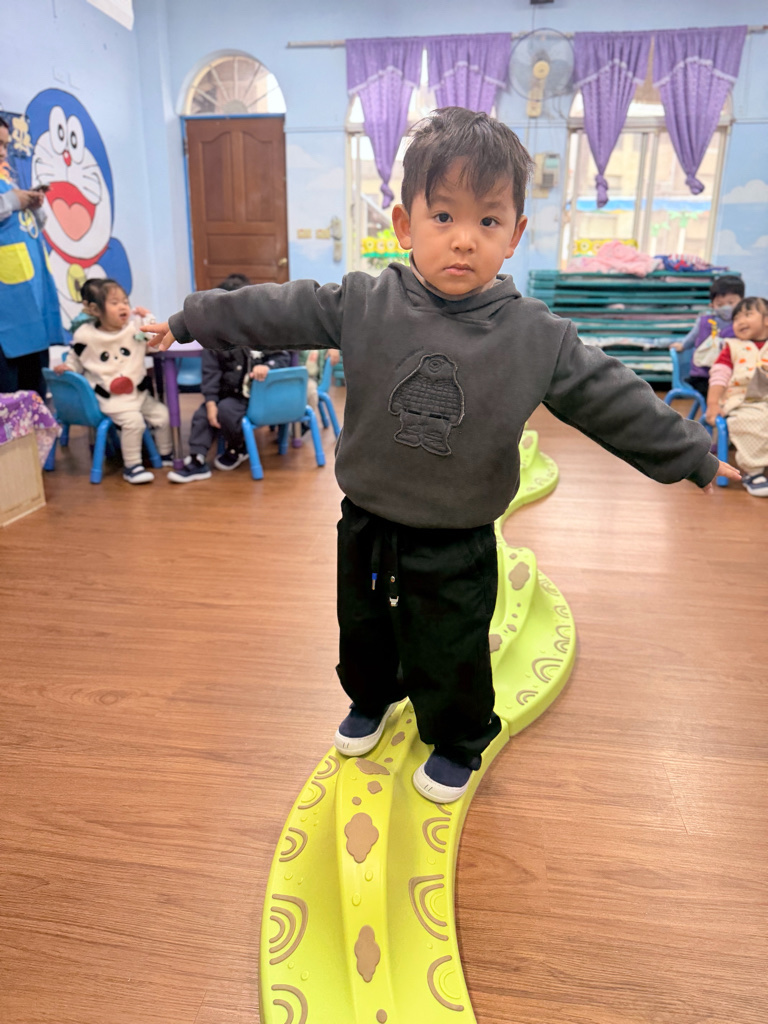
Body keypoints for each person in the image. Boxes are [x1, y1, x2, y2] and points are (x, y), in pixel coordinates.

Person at [146, 108, 739, 804]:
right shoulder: (365, 302)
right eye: (443, 216)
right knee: (363, 627)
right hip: (368, 519)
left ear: (514, 234)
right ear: (405, 225)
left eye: (488, 221)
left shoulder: (535, 336)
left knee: (450, 643)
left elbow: (610, 395)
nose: (464, 239)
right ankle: (371, 698)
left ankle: (459, 738)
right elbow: (277, 307)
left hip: (457, 537)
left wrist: (692, 452)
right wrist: (191, 318)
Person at [168, 273, 292, 483]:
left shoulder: (262, 334)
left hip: (252, 397)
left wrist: (266, 366)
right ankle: (197, 460)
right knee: (202, 415)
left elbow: (282, 357)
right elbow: (210, 374)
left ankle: (238, 448)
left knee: (227, 410)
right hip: (226, 394)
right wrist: (210, 403)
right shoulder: (212, 340)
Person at [54, 277, 172, 484]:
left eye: (125, 301)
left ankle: (165, 455)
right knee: (134, 422)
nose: (123, 306)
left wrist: (149, 319)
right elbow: (76, 360)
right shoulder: (85, 335)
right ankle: (132, 466)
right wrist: (68, 367)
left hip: (138, 393)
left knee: (162, 415)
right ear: (95, 310)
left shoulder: (135, 328)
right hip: (111, 398)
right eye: (115, 303)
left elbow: (155, 344)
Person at [0, 116, 63, 397]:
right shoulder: (9, 193)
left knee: (33, 394)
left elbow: (34, 227)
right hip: (7, 314)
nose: (3, 152)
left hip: (32, 306)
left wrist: (33, 204)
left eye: (5, 145)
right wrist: (13, 201)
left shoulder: (7, 182)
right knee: (8, 400)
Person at [706, 296, 768, 497]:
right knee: (750, 422)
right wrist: (713, 403)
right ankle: (753, 471)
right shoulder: (732, 347)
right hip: (741, 401)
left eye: (748, 314)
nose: (740, 321)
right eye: (736, 318)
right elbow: (719, 376)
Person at [670, 275, 745, 398]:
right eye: (720, 304)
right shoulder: (704, 322)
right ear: (712, 305)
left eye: (731, 303)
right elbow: (692, 336)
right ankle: (714, 409)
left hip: (732, 374)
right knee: (723, 395)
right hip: (703, 376)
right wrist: (682, 345)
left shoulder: (742, 324)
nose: (726, 307)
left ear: (742, 302)